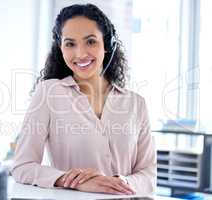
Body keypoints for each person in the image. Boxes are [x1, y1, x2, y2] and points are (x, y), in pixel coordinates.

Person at [11, 3, 157, 195]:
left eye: (90, 41)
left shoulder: (136, 103)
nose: (80, 54)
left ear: (107, 45)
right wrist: (72, 181)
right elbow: (23, 167)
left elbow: (148, 175)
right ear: (61, 48)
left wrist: (117, 182)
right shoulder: (49, 93)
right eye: (70, 44)